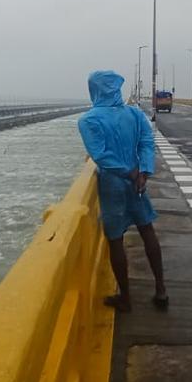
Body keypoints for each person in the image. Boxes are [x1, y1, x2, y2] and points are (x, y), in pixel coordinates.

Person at [77, 70, 168, 313]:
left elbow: (101, 155)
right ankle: (161, 289)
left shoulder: (89, 120)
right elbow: (147, 143)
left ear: (94, 90)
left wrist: (128, 173)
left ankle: (125, 297)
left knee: (115, 239)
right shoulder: (134, 114)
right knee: (147, 230)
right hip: (137, 182)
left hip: (113, 184)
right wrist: (144, 171)